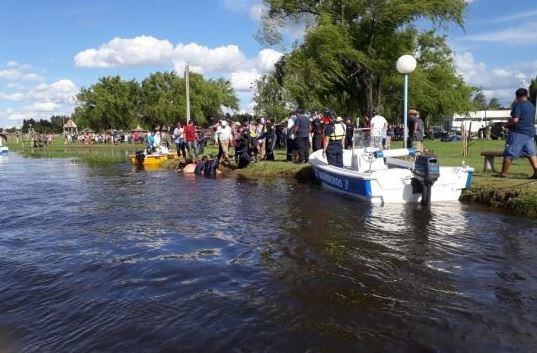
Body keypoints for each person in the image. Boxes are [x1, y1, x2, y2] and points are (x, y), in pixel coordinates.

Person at [500, 88, 537, 178]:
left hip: (518, 132)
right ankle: (536, 173)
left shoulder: (518, 105)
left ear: (517, 96)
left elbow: (515, 120)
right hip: (530, 133)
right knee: (531, 153)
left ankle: (503, 173)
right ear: (526, 95)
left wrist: (506, 124)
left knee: (509, 153)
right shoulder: (532, 106)